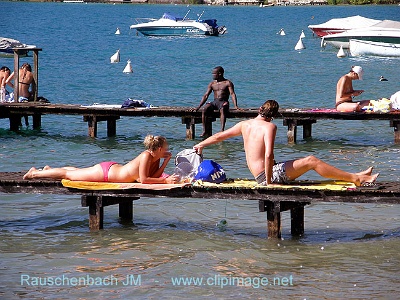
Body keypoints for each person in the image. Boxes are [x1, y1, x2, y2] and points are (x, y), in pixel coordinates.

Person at [193, 100, 379, 187]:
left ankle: (355, 175)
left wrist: (201, 144)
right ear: (273, 115)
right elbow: (268, 155)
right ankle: (356, 179)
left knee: (305, 160)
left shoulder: (244, 125)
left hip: (266, 173)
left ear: (259, 110)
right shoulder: (270, 127)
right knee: (311, 160)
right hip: (267, 176)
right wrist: (269, 183)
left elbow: (218, 136)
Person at [23, 135, 180, 184]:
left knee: (77, 171)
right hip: (105, 174)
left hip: (113, 170)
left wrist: (165, 162)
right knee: (68, 175)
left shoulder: (156, 157)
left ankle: (49, 170)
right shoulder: (146, 155)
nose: (167, 150)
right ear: (159, 149)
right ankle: (34, 174)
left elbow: (155, 177)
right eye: (166, 148)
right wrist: (166, 182)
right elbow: (145, 180)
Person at [194, 66, 240, 138]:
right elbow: (206, 95)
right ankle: (205, 131)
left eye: (214, 74)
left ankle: (222, 130)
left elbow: (232, 94)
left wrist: (236, 106)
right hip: (215, 102)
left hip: (223, 102)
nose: (213, 75)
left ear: (220, 74)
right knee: (205, 109)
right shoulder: (212, 84)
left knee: (223, 109)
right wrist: (199, 106)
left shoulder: (227, 83)